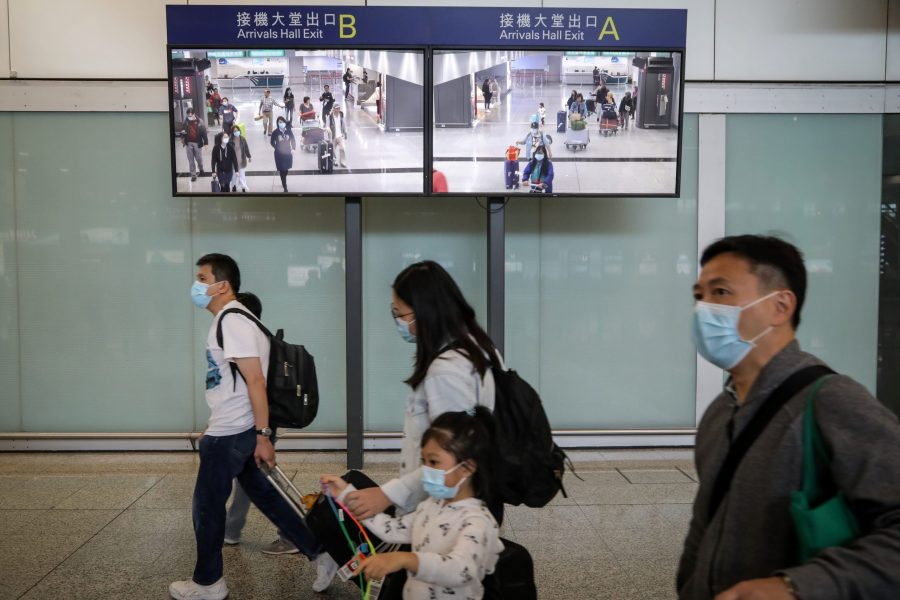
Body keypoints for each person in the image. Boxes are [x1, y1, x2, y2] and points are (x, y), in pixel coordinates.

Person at [677, 235, 900, 599]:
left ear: (780, 305)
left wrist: (795, 587)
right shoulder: (721, 412)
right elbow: (706, 523)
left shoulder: (833, 401)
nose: (703, 309)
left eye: (720, 293)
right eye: (699, 295)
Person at [169, 254, 334, 600]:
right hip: (234, 427)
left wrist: (261, 435)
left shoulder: (232, 321)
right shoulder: (237, 319)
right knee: (267, 497)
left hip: (233, 432)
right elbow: (234, 384)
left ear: (222, 285)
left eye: (202, 278)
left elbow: (255, 380)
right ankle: (322, 553)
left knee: (207, 506)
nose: (197, 285)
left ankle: (208, 582)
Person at [337, 261, 498, 522]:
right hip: (458, 501)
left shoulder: (447, 371)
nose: (398, 321)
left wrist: (387, 495)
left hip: (446, 511)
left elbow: (451, 457)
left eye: (399, 313)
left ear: (423, 314)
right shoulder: (477, 347)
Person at [321, 408, 504, 600]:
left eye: (434, 462)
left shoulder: (477, 521)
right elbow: (392, 528)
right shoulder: (431, 506)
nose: (426, 470)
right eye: (423, 461)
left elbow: (460, 570)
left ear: (467, 467)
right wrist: (345, 494)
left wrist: (405, 559)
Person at [180, 107, 208, 182]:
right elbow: (182, 130)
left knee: (199, 159)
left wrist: (206, 143)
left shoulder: (200, 121)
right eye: (188, 115)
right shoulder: (185, 121)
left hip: (197, 143)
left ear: (194, 114)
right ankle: (193, 175)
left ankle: (201, 169)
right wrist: (182, 135)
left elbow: (204, 132)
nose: (189, 117)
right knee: (191, 160)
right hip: (188, 143)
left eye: (191, 115)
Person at [270, 116, 295, 193]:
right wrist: (276, 147)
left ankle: (283, 180)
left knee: (286, 170)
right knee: (282, 169)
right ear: (277, 123)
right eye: (279, 122)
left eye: (282, 122)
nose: (281, 123)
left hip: (287, 152)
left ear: (285, 122)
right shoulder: (275, 132)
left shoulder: (289, 131)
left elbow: (293, 140)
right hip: (279, 154)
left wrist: (293, 148)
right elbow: (272, 142)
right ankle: (285, 186)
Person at [229, 125, 251, 193]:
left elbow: (246, 148)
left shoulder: (242, 139)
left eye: (237, 130)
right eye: (234, 131)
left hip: (242, 160)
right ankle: (233, 186)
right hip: (233, 162)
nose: (236, 132)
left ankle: (243, 187)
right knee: (234, 176)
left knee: (242, 175)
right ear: (232, 132)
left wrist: (249, 156)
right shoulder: (230, 141)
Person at [327, 103, 348, 168]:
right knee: (332, 150)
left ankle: (343, 162)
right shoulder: (330, 117)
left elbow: (344, 124)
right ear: (333, 109)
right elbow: (327, 125)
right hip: (333, 136)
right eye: (336, 108)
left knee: (342, 148)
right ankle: (334, 161)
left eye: (338, 108)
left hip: (340, 135)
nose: (338, 110)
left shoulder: (341, 115)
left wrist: (345, 132)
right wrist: (328, 130)